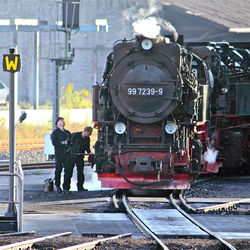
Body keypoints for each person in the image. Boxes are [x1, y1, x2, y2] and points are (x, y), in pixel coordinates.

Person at [51, 117, 72, 194]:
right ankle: (58, 186)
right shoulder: (55, 132)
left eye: (63, 120)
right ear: (57, 123)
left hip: (67, 153)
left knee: (68, 171)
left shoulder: (67, 132)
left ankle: (66, 188)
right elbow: (54, 142)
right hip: (59, 153)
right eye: (60, 120)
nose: (62, 121)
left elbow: (70, 141)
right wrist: (63, 143)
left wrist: (66, 143)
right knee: (58, 170)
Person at [69, 126, 93, 191]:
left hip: (80, 157)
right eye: (90, 133)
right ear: (86, 131)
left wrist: (89, 153)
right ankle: (66, 188)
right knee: (69, 171)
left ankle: (80, 187)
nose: (90, 135)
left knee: (80, 172)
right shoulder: (75, 135)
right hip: (72, 156)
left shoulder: (87, 139)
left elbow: (87, 147)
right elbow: (69, 144)